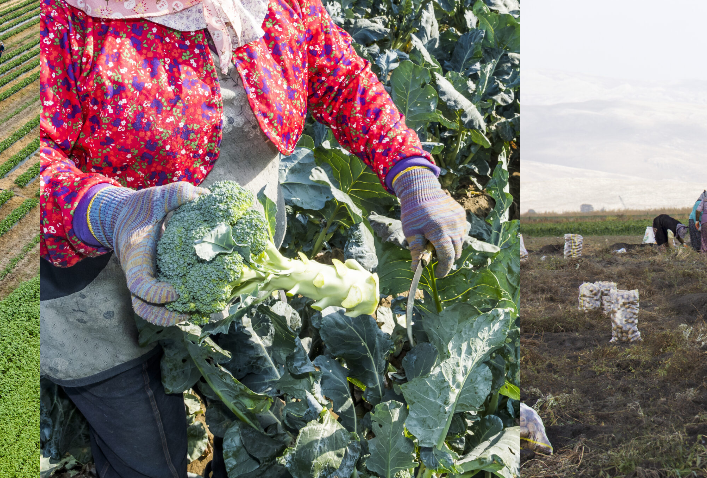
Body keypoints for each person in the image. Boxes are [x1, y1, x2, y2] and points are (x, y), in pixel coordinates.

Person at [35, 0, 468, 475]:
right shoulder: (61, 17)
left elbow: (342, 81)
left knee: (257, 440)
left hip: (242, 281)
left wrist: (410, 170)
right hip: (97, 301)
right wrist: (110, 213)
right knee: (146, 458)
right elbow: (25, 159)